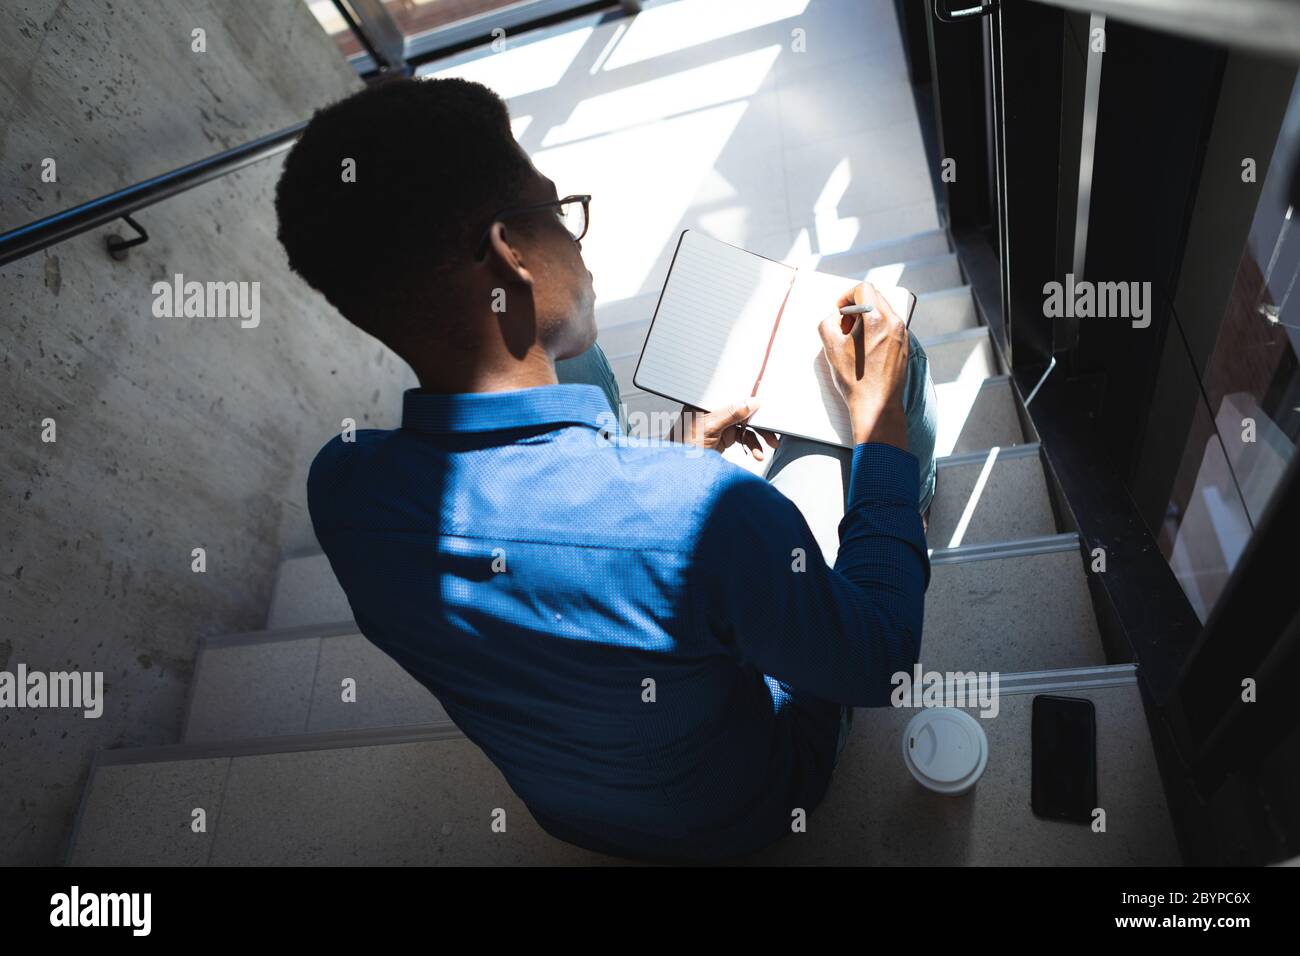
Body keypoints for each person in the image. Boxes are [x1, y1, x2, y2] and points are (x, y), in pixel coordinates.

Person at [275, 77, 929, 863]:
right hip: (751, 807)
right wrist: (878, 426)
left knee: (577, 370)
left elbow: (552, 570)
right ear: (509, 253)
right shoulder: (709, 514)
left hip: (575, 816)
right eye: (556, 214)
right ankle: (911, 484)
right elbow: (880, 659)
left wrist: (655, 480)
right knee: (889, 375)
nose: (576, 240)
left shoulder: (341, 489)